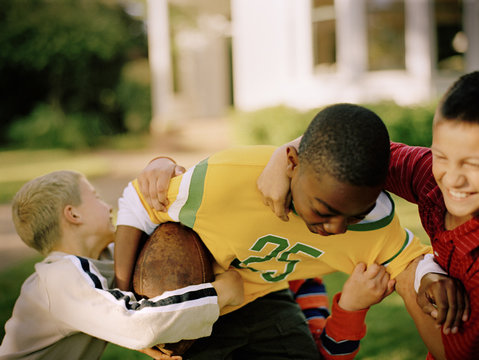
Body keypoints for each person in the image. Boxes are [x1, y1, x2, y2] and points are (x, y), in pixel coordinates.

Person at [115, 103, 436, 359]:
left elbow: (412, 263)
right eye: (324, 211)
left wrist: (432, 275)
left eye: (355, 216)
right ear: (292, 164)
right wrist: (127, 306)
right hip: (201, 298)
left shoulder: (373, 229)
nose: (337, 228)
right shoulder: (225, 181)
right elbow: (137, 202)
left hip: (267, 298)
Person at [257, 72, 479, 360]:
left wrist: (414, 270)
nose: (453, 179)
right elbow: (350, 153)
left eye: (472, 164)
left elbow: (455, 354)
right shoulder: (430, 180)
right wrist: (280, 158)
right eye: (442, 157)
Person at [0, 170, 244, 360]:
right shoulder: (57, 278)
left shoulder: (104, 258)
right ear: (73, 215)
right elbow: (137, 323)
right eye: (95, 196)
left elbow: (118, 314)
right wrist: (220, 293)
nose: (108, 206)